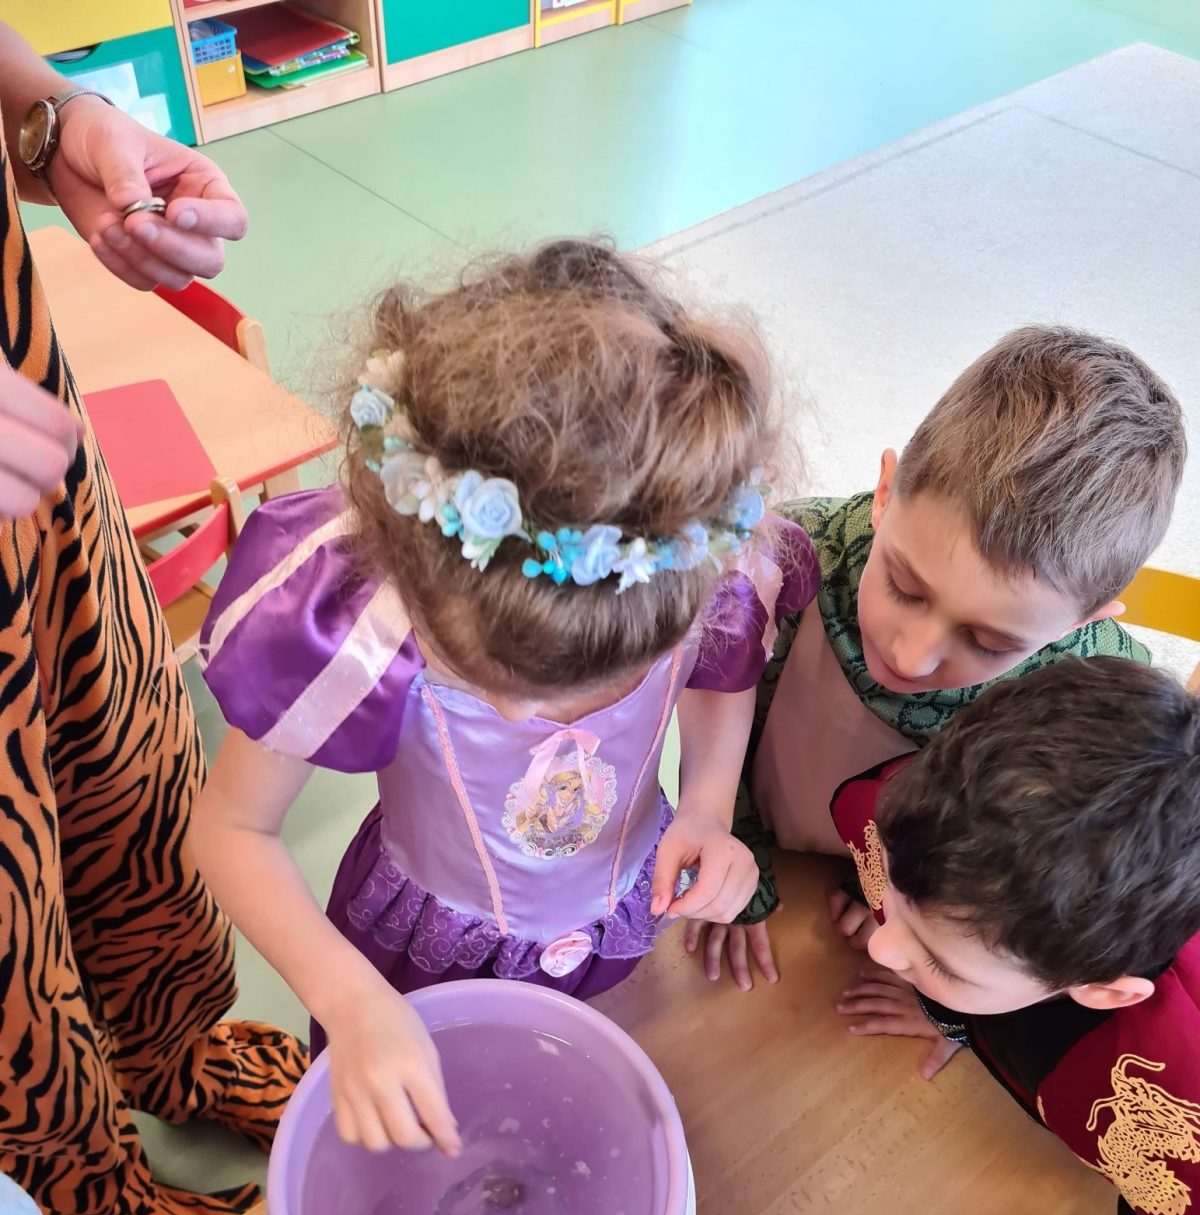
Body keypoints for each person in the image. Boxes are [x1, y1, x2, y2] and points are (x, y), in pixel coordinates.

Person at [191, 240, 819, 1155]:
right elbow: (230, 830)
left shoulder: (699, 567)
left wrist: (710, 806)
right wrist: (350, 1000)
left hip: (618, 922)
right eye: (483, 684)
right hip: (414, 962)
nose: (525, 720)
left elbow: (722, 683)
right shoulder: (362, 611)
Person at [0, 23, 305, 1215]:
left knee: (129, 763)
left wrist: (48, 117)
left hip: (25, 419)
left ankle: (174, 1046)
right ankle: (78, 1190)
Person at [687, 326, 1186, 990]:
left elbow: (1078, 873)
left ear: (1084, 622)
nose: (912, 655)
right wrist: (726, 838)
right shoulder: (786, 555)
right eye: (904, 586)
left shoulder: (1098, 698)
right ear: (885, 492)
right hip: (753, 831)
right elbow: (717, 692)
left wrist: (910, 910)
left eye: (989, 643)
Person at [831, 656, 1200, 1215]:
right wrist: (945, 997)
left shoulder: (1180, 1084)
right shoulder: (951, 824)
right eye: (894, 906)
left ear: (1103, 993)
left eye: (939, 960)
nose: (879, 948)